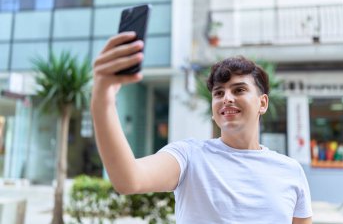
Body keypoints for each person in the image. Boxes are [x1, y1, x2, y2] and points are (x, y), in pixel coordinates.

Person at [91, 32, 313, 224]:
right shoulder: (189, 157)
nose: (226, 98)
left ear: (262, 103)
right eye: (218, 93)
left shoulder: (291, 171)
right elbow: (128, 179)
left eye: (238, 90)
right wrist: (103, 99)